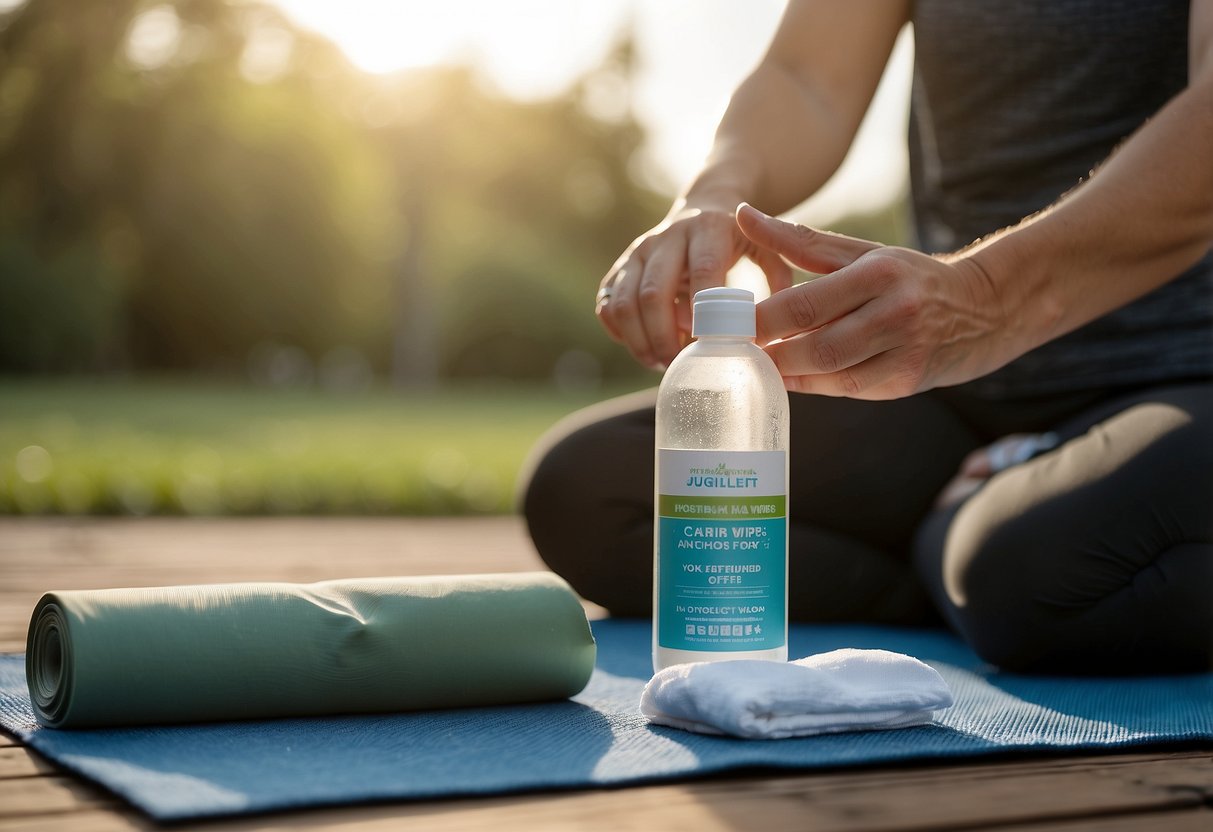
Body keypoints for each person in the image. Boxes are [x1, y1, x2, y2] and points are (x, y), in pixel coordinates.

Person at [522, 0, 1213, 674]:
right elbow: (806, 78)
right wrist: (714, 193)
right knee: (587, 491)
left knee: (1042, 568)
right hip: (945, 388)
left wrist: (988, 294)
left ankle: (971, 540)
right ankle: (954, 564)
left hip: (1176, 382)